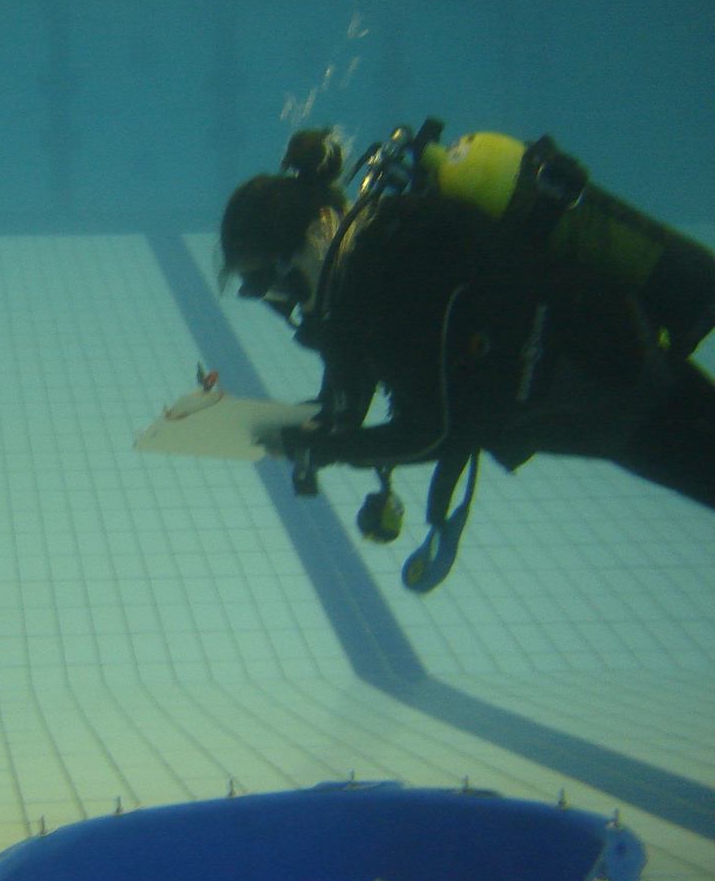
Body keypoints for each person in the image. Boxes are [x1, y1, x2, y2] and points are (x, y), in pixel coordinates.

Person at [220, 124, 715, 588]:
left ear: (294, 261)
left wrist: (331, 450)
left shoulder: (391, 280)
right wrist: (311, 428)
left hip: (617, 392)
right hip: (607, 361)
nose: (273, 302)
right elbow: (353, 372)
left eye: (263, 284)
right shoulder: (374, 251)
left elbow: (433, 432)